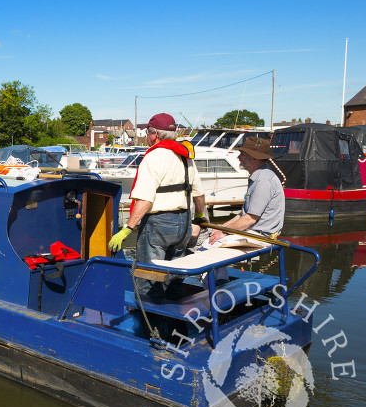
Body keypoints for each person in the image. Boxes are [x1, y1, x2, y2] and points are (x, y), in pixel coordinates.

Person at [108, 113, 206, 297]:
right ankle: (173, 322)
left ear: (155, 135)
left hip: (159, 225)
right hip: (183, 224)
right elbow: (199, 194)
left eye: (148, 133)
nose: (147, 137)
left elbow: (145, 199)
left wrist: (127, 228)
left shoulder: (153, 158)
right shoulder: (185, 156)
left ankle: (151, 324)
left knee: (148, 279)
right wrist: (200, 217)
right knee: (174, 278)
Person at [206, 137, 284, 245]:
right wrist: (221, 228)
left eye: (242, 154)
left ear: (253, 158)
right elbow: (243, 214)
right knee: (210, 240)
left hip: (259, 236)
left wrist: (224, 232)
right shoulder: (258, 177)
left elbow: (250, 219)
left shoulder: (263, 180)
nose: (238, 157)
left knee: (210, 245)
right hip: (251, 232)